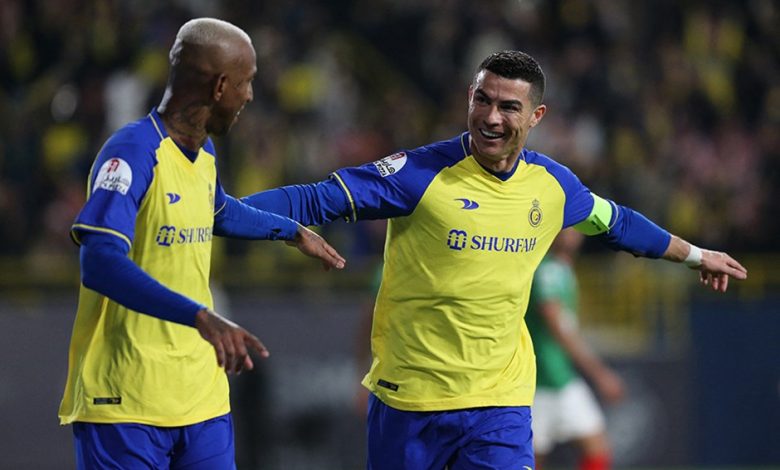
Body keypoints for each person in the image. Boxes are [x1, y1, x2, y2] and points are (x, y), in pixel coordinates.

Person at [240, 50, 748, 469]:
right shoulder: (418, 174)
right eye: (482, 100)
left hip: (500, 404)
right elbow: (315, 198)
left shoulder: (553, 186)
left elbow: (617, 223)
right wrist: (223, 215)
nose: (491, 117)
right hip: (410, 400)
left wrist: (695, 255)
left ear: (536, 116)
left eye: (508, 107)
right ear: (469, 97)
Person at [58, 18, 346, 469]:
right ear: (220, 87)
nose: (250, 96)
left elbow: (219, 212)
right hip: (125, 400)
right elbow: (98, 262)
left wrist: (291, 231)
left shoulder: (204, 152)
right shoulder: (131, 152)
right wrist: (199, 315)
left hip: (200, 397)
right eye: (246, 82)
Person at [525, 228, 624, 470]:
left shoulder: (562, 268)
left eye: (576, 228)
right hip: (538, 382)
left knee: (597, 447)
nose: (572, 234)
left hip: (563, 378)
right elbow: (557, 326)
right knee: (530, 461)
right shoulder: (546, 270)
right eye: (566, 228)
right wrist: (599, 374)